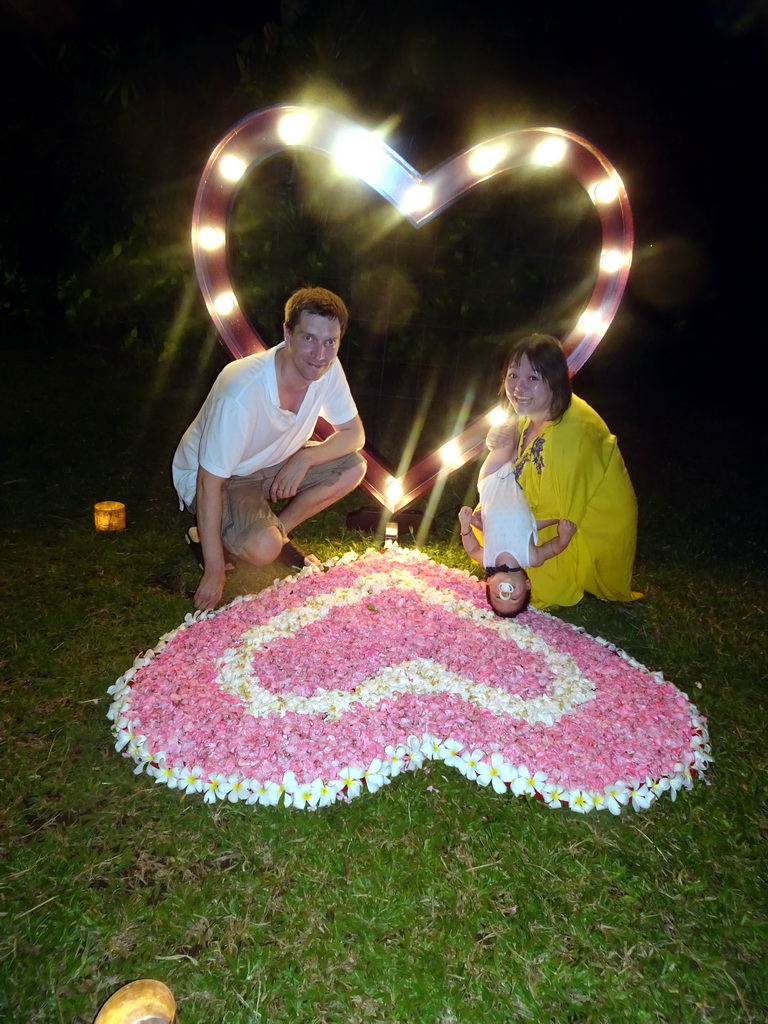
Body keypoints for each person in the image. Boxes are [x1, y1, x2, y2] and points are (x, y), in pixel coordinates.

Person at [172, 287, 366, 611]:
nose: (320, 353)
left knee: (353, 467)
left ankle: (276, 534)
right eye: (309, 338)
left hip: (268, 462)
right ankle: (225, 539)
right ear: (287, 333)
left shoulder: (327, 368)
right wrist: (214, 572)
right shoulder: (242, 391)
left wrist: (307, 456)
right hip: (219, 476)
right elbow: (209, 482)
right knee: (263, 550)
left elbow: (354, 435)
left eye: (330, 341)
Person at [479, 333, 640, 610]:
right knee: (495, 531)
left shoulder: (571, 433)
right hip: (545, 511)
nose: (518, 388)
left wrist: (506, 530)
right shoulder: (532, 412)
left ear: (555, 381)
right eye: (513, 375)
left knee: (539, 580)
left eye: (533, 378)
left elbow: (558, 514)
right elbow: (510, 466)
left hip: (583, 526)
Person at [458, 444, 577, 616]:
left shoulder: (488, 560)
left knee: (504, 442)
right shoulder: (531, 558)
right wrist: (565, 536)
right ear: (527, 585)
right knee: (527, 444)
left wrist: (466, 525)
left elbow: (472, 549)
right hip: (524, 485)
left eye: (498, 596)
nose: (506, 594)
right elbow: (553, 548)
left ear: (489, 582)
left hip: (491, 484)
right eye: (514, 598)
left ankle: (506, 432)